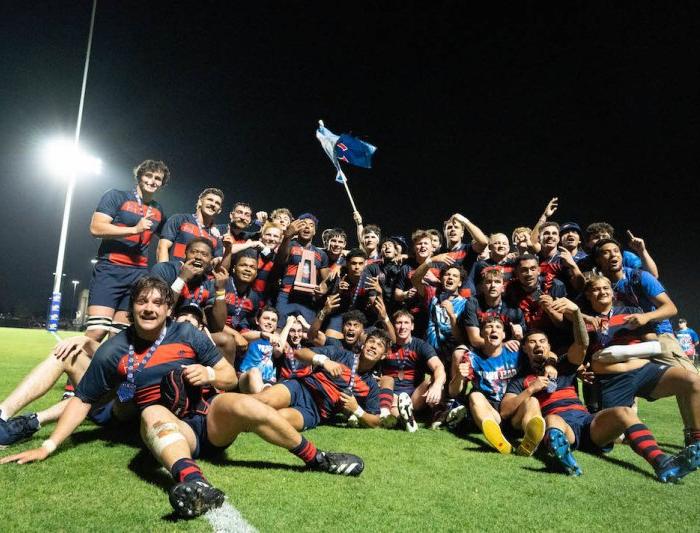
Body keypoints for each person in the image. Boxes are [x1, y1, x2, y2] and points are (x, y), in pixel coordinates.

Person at [1, 276, 365, 520]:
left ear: (168, 309)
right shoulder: (114, 350)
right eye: (142, 302)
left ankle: (318, 458)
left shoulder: (186, 335)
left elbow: (226, 375)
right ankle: (194, 482)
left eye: (157, 303)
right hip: (170, 427)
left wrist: (207, 373)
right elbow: (82, 400)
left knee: (245, 403)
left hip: (208, 418)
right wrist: (48, 446)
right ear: (132, 307)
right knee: (152, 411)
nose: (149, 308)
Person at [503, 297, 698, 482]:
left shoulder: (564, 365)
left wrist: (577, 314)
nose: (538, 345)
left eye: (542, 341)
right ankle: (563, 459)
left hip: (588, 423)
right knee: (553, 421)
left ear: (549, 346)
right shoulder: (521, 380)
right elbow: (505, 410)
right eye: (532, 342)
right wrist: (531, 389)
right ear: (525, 349)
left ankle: (662, 462)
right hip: (563, 426)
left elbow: (582, 343)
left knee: (625, 413)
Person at [582, 274, 700, 451]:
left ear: (612, 292)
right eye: (596, 289)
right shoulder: (585, 321)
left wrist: (617, 353)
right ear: (588, 295)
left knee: (693, 381)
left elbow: (654, 345)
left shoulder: (631, 312)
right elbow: (584, 356)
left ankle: (695, 441)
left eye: (605, 288)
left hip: (644, 371)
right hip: (612, 380)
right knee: (604, 440)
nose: (602, 292)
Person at [85, 159, 169, 340]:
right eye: (148, 175)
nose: (152, 181)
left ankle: (107, 369)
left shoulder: (158, 210)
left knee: (120, 336)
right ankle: (75, 368)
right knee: (96, 331)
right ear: (139, 176)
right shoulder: (116, 196)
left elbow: (171, 239)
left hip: (138, 276)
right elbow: (96, 228)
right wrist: (134, 229)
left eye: (158, 178)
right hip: (110, 269)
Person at [253, 329, 391, 431]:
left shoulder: (371, 385)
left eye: (379, 345)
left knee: (277, 420)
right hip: (300, 388)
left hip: (314, 412)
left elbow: (375, 421)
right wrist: (323, 361)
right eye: (371, 342)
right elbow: (300, 353)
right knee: (261, 402)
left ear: (383, 356)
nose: (373, 346)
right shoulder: (340, 354)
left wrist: (357, 410)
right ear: (363, 345)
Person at [592, 238, 696, 373]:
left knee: (691, 378)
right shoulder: (599, 286)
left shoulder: (640, 277)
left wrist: (646, 317)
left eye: (616, 251)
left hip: (657, 333)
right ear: (598, 260)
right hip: (622, 338)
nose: (613, 255)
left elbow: (671, 308)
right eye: (606, 252)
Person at [448, 318, 531, 454]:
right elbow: (453, 392)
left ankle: (530, 439)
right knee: (475, 395)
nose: (493, 329)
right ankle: (497, 439)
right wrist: (459, 376)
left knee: (531, 400)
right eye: (489, 327)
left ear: (504, 335)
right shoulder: (472, 358)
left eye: (498, 327)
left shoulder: (517, 353)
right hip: (489, 411)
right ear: (481, 333)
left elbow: (543, 354)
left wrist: (551, 363)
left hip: (513, 408)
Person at [378, 310, 446, 432]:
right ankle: (407, 420)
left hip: (415, 396)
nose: (402, 327)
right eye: (398, 323)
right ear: (393, 326)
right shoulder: (385, 345)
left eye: (406, 323)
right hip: (392, 395)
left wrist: (436, 386)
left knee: (433, 379)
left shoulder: (420, 345)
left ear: (412, 326)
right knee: (389, 394)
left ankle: (439, 414)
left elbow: (438, 367)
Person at [274, 213, 329, 324]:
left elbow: (326, 280)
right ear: (297, 228)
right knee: (280, 328)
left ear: (315, 231)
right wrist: (287, 236)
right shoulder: (289, 245)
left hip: (308, 299)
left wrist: (323, 289)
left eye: (311, 225)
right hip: (286, 295)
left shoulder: (321, 254)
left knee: (305, 335)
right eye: (303, 224)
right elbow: (280, 260)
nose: (307, 227)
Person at [459, 267, 524, 351]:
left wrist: (518, 336)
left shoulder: (512, 308)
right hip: (479, 349)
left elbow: (522, 340)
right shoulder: (473, 303)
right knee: (458, 353)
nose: (493, 286)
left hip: (506, 349)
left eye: (497, 282)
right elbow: (474, 340)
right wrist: (503, 345)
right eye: (488, 282)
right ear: (482, 287)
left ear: (503, 287)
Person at [157, 188, 224, 262]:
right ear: (200, 202)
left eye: (217, 203)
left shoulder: (216, 236)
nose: (213, 204)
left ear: (219, 210)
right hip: (175, 272)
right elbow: (163, 247)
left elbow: (216, 261)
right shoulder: (179, 219)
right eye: (210, 200)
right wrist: (164, 271)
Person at [237, 307, 292, 393]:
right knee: (255, 371)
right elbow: (242, 337)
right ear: (257, 320)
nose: (270, 322)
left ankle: (263, 393)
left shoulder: (275, 338)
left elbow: (278, 351)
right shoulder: (249, 333)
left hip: (268, 383)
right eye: (266, 318)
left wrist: (288, 325)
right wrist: (264, 335)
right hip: (246, 378)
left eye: (273, 320)